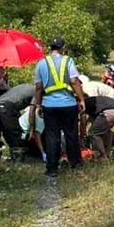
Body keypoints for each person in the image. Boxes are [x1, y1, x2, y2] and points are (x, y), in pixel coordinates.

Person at [31, 36, 86, 177]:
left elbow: (38, 87)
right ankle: (75, 164)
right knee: (71, 134)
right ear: (63, 48)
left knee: (51, 137)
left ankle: (52, 169)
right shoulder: (68, 61)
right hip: (68, 104)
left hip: (49, 105)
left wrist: (38, 104)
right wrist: (81, 99)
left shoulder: (41, 63)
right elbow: (74, 81)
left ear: (50, 48)